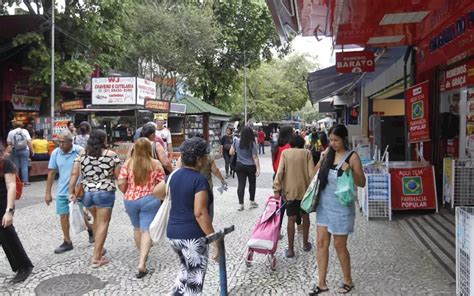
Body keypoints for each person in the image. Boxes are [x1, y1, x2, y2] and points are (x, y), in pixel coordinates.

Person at [153, 137, 218, 295]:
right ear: (199, 160)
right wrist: (214, 240)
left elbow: (156, 192)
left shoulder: (174, 176)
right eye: (204, 156)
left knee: (184, 274)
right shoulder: (199, 180)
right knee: (194, 281)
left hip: (174, 235)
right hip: (193, 237)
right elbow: (200, 213)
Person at [311, 124, 366, 295]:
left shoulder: (352, 157)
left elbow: (362, 182)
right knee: (321, 243)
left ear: (344, 139)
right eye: (331, 140)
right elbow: (314, 176)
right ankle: (321, 282)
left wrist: (350, 172)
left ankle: (347, 280)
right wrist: (321, 159)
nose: (333, 143)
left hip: (342, 208)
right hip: (324, 206)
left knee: (339, 245)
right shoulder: (328, 154)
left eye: (336, 140)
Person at [69, 130, 121, 268]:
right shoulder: (111, 155)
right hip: (104, 192)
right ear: (104, 140)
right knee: (103, 223)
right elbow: (118, 175)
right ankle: (96, 257)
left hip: (87, 193)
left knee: (97, 221)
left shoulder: (82, 154)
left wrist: (72, 191)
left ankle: (100, 248)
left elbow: (75, 174)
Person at [117, 138, 164, 278]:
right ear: (149, 149)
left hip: (130, 200)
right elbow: (162, 183)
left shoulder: (128, 163)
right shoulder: (155, 164)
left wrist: (127, 192)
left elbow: (121, 183)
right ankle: (142, 262)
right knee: (146, 230)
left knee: (137, 228)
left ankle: (142, 253)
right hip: (150, 199)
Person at [45, 130, 91, 254]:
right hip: (62, 190)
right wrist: (48, 193)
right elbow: (51, 173)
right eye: (58, 142)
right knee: (63, 215)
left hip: (78, 190)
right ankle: (67, 241)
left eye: (63, 142)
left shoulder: (79, 151)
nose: (60, 144)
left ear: (71, 142)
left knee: (79, 213)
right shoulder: (55, 153)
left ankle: (90, 229)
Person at [273, 135, 315, 258]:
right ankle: (305, 244)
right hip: (305, 192)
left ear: (290, 143)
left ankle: (291, 250)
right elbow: (311, 173)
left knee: (291, 219)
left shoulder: (285, 153)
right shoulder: (307, 153)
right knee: (305, 217)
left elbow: (280, 172)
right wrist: (314, 191)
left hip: (289, 192)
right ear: (302, 143)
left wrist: (276, 188)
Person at [0, 143, 34, 283]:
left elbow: (11, 186)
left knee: (7, 235)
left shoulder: (5, 163)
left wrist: (9, 211)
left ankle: (24, 266)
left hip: (3, 202)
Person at [230, 126, 260, 211]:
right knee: (252, 184)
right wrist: (258, 169)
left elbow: (231, 152)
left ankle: (241, 205)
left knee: (241, 184)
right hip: (250, 166)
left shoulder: (236, 141)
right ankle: (252, 202)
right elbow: (255, 157)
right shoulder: (252, 143)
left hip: (239, 166)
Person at [6, 120, 33, 186]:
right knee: (24, 166)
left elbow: (9, 143)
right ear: (22, 125)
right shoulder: (25, 131)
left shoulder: (11, 132)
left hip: (14, 150)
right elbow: (29, 141)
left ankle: (17, 182)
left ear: (14, 126)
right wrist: (31, 150)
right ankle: (25, 182)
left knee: (16, 166)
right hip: (24, 150)